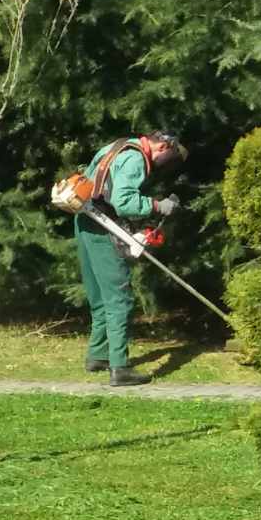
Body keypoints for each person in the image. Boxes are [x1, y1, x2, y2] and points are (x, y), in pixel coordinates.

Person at [74, 130, 187, 387]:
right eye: (168, 160)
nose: (164, 166)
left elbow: (91, 182)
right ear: (163, 147)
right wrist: (159, 206)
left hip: (84, 221)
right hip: (103, 228)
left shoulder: (116, 145)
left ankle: (98, 355)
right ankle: (119, 368)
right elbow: (123, 201)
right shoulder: (136, 158)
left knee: (100, 296)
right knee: (119, 299)